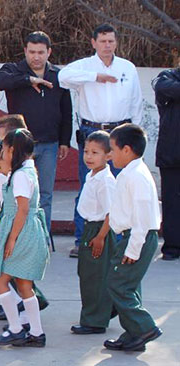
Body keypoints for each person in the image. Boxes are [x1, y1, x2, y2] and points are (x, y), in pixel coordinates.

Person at [59, 24, 143, 258]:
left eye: (111, 41)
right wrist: (95, 77)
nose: (107, 45)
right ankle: (82, 238)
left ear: (116, 43)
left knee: (122, 187)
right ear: (94, 42)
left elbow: (136, 102)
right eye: (103, 41)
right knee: (89, 186)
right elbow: (62, 77)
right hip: (92, 131)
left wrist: (135, 137)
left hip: (121, 131)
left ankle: (118, 239)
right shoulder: (85, 66)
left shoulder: (127, 67)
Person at [0, 31, 72, 233]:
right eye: (32, 52)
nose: (36, 57)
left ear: (49, 52)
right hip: (19, 146)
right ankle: (17, 234)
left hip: (49, 144)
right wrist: (29, 80)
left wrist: (65, 140)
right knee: (16, 193)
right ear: (25, 51)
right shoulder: (14, 71)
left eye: (41, 52)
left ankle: (40, 235)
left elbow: (66, 111)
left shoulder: (57, 75)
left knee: (44, 193)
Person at [0, 129, 50, 348]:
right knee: (23, 284)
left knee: (0, 278)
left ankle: (15, 328)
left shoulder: (20, 175)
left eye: (4, 148)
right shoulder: (24, 171)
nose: (1, 153)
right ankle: (36, 332)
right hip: (24, 231)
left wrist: (11, 239)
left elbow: (21, 210)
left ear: (12, 150)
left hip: (20, 232)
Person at [104, 124, 162, 352]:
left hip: (138, 237)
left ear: (126, 150)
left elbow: (142, 217)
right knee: (129, 285)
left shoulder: (136, 176)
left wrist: (132, 249)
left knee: (118, 284)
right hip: (130, 237)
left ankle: (144, 327)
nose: (110, 155)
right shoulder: (130, 172)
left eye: (112, 149)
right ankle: (133, 333)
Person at [71, 131, 117, 335]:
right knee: (87, 273)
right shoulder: (92, 175)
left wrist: (100, 237)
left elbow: (111, 213)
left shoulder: (105, 181)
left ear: (108, 156)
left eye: (95, 152)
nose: (89, 157)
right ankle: (104, 310)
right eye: (86, 151)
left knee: (95, 276)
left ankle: (95, 321)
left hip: (100, 230)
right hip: (90, 228)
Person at [152, 69, 180, 260]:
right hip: (172, 154)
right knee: (172, 203)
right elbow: (163, 88)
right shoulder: (167, 77)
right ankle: (172, 247)